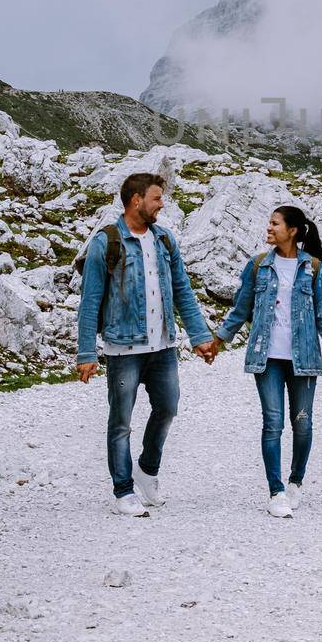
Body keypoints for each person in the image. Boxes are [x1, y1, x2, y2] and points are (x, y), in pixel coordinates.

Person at [77, 171, 217, 517]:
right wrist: (86, 352)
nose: (161, 204)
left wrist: (200, 337)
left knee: (168, 408)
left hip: (164, 347)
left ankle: (147, 470)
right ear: (136, 200)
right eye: (156, 198)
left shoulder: (164, 240)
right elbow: (90, 301)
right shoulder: (105, 242)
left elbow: (182, 291)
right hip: (123, 349)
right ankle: (123, 491)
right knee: (121, 422)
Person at [210, 205, 322, 518]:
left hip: (304, 358)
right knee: (272, 423)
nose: (269, 228)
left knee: (303, 422)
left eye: (274, 224)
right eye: (269, 223)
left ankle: (296, 481)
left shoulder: (312, 267)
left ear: (292, 230)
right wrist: (217, 340)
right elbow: (241, 309)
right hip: (266, 357)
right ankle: (276, 490)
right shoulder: (258, 266)